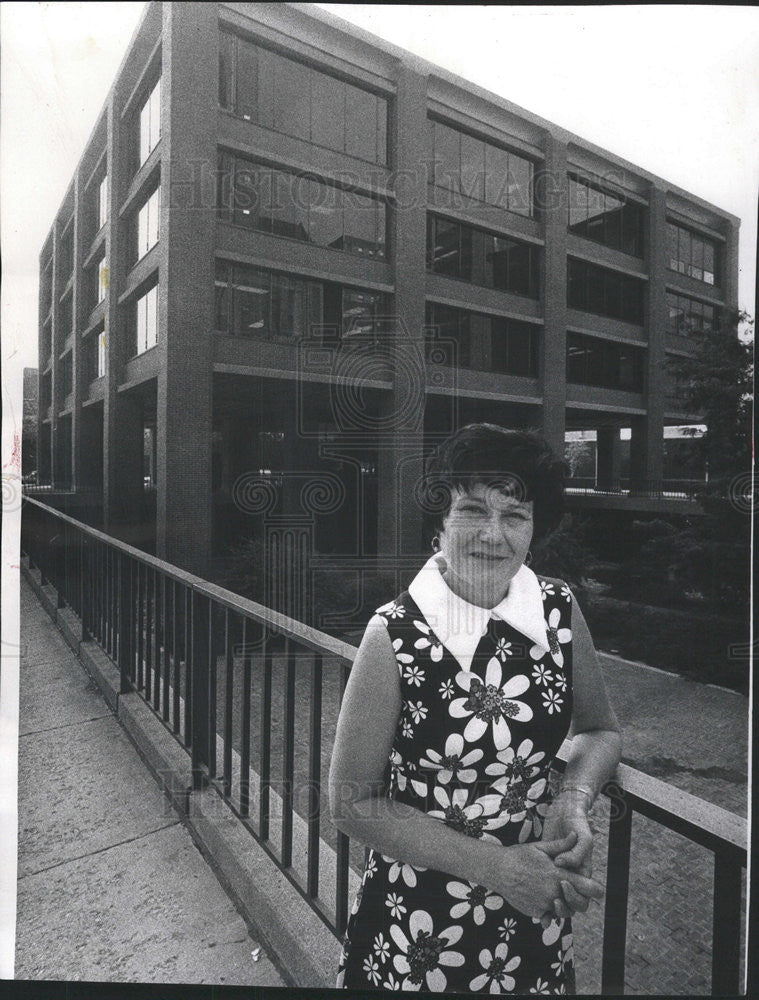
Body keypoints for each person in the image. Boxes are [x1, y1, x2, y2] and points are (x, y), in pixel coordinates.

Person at [328, 423, 622, 994]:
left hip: (535, 910)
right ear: (440, 521)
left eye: (514, 515)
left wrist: (573, 799)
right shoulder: (393, 636)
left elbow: (601, 729)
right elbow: (349, 801)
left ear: (535, 529)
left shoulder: (558, 610)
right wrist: (499, 870)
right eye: (471, 510)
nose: (493, 534)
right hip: (422, 924)